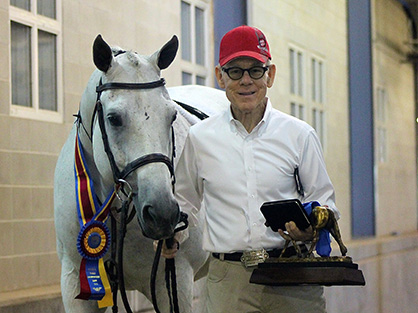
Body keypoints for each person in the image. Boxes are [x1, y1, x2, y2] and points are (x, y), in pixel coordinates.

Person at [163, 25, 340, 313]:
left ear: (270, 75)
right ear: (220, 76)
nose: (246, 80)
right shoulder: (200, 139)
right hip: (227, 283)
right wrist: (172, 233)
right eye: (235, 71)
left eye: (255, 70)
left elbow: (325, 200)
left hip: (293, 277)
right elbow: (185, 202)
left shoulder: (299, 135)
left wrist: (309, 228)